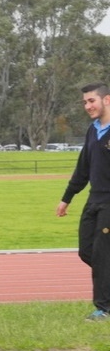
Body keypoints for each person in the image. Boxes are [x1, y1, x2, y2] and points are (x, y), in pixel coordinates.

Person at [56, 82, 110, 321]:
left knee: (101, 254)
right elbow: (83, 169)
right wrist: (66, 198)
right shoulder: (92, 130)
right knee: (86, 250)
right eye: (85, 102)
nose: (88, 106)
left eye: (92, 101)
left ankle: (103, 308)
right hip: (94, 200)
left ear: (106, 100)